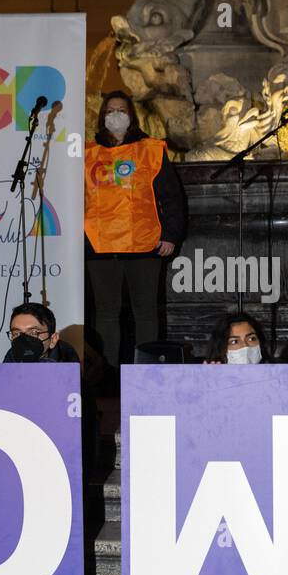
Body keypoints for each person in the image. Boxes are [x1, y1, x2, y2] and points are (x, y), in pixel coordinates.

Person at [84, 90, 186, 372]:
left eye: (121, 110)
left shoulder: (150, 149)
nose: (115, 115)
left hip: (144, 242)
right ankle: (106, 372)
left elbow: (171, 196)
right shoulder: (87, 153)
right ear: (102, 116)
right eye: (110, 110)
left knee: (145, 311)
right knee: (105, 312)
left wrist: (171, 235)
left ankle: (147, 371)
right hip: (100, 244)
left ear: (131, 116)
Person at [3, 302, 80, 363]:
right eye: (17, 334)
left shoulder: (67, 359)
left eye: (34, 332)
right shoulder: (10, 359)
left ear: (53, 339)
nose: (24, 339)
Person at [203, 311, 272, 364]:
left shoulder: (276, 376)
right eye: (234, 342)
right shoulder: (211, 379)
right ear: (220, 348)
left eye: (251, 339)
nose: (245, 346)